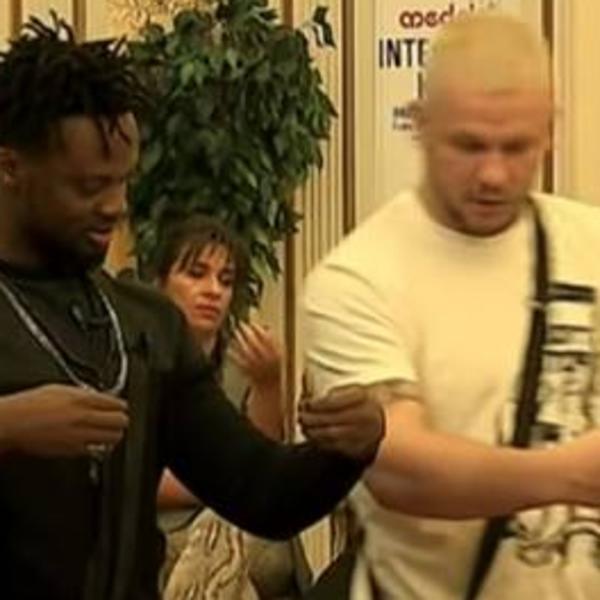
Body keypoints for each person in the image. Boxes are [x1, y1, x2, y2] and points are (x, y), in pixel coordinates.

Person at [0, 15, 384, 600]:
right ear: (9, 168)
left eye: (122, 182)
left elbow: (261, 493)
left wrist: (348, 447)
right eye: (89, 187)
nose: (115, 207)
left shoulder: (146, 326)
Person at [301, 11, 600, 600]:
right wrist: (571, 474)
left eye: (517, 146)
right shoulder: (356, 279)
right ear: (421, 124)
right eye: (468, 145)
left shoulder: (589, 243)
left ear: (551, 131)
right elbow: (401, 469)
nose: (493, 174)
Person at [153, 215, 311, 599]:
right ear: (160, 283)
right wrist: (224, 484)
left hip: (246, 529)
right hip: (167, 534)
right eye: (196, 274)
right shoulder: (137, 360)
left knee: (269, 553)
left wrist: (268, 385)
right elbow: (137, 478)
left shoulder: (241, 363)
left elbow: (262, 463)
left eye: (225, 281)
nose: (213, 291)